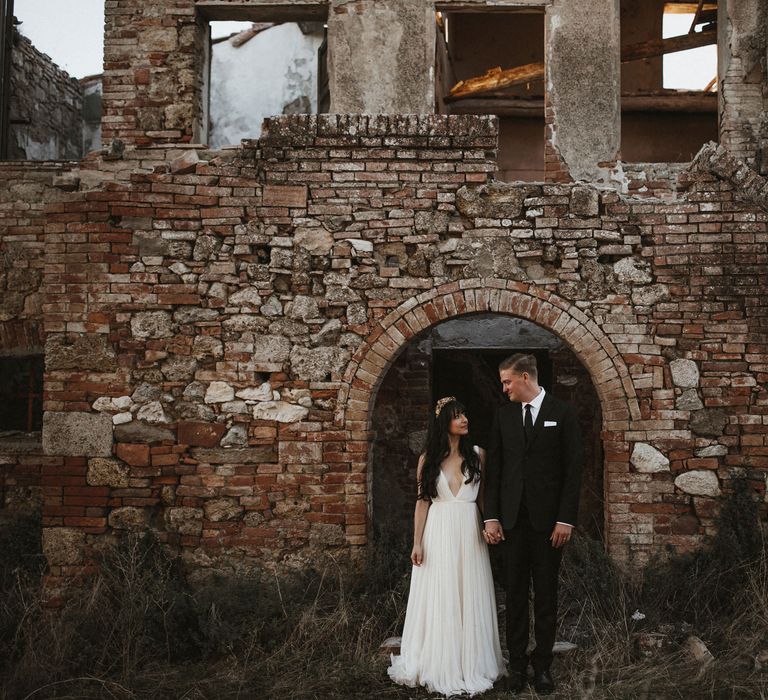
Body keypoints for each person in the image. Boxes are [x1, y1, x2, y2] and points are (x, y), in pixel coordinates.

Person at [388, 397, 505, 696]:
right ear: (444, 423)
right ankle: (439, 661)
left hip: (468, 531)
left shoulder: (479, 455)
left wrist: (489, 523)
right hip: (437, 532)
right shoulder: (427, 459)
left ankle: (472, 663)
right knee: (440, 594)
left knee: (469, 593)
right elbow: (422, 503)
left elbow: (483, 499)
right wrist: (417, 542)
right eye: (457, 416)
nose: (464, 419)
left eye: (465, 413)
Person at [483, 353, 583, 696]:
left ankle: (542, 668)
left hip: (548, 525)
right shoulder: (503, 415)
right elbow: (494, 469)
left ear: (526, 377)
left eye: (508, 381)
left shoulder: (563, 414)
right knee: (513, 597)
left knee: (545, 596)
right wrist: (491, 516)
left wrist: (565, 519)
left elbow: (573, 471)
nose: (504, 388)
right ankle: (516, 667)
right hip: (511, 524)